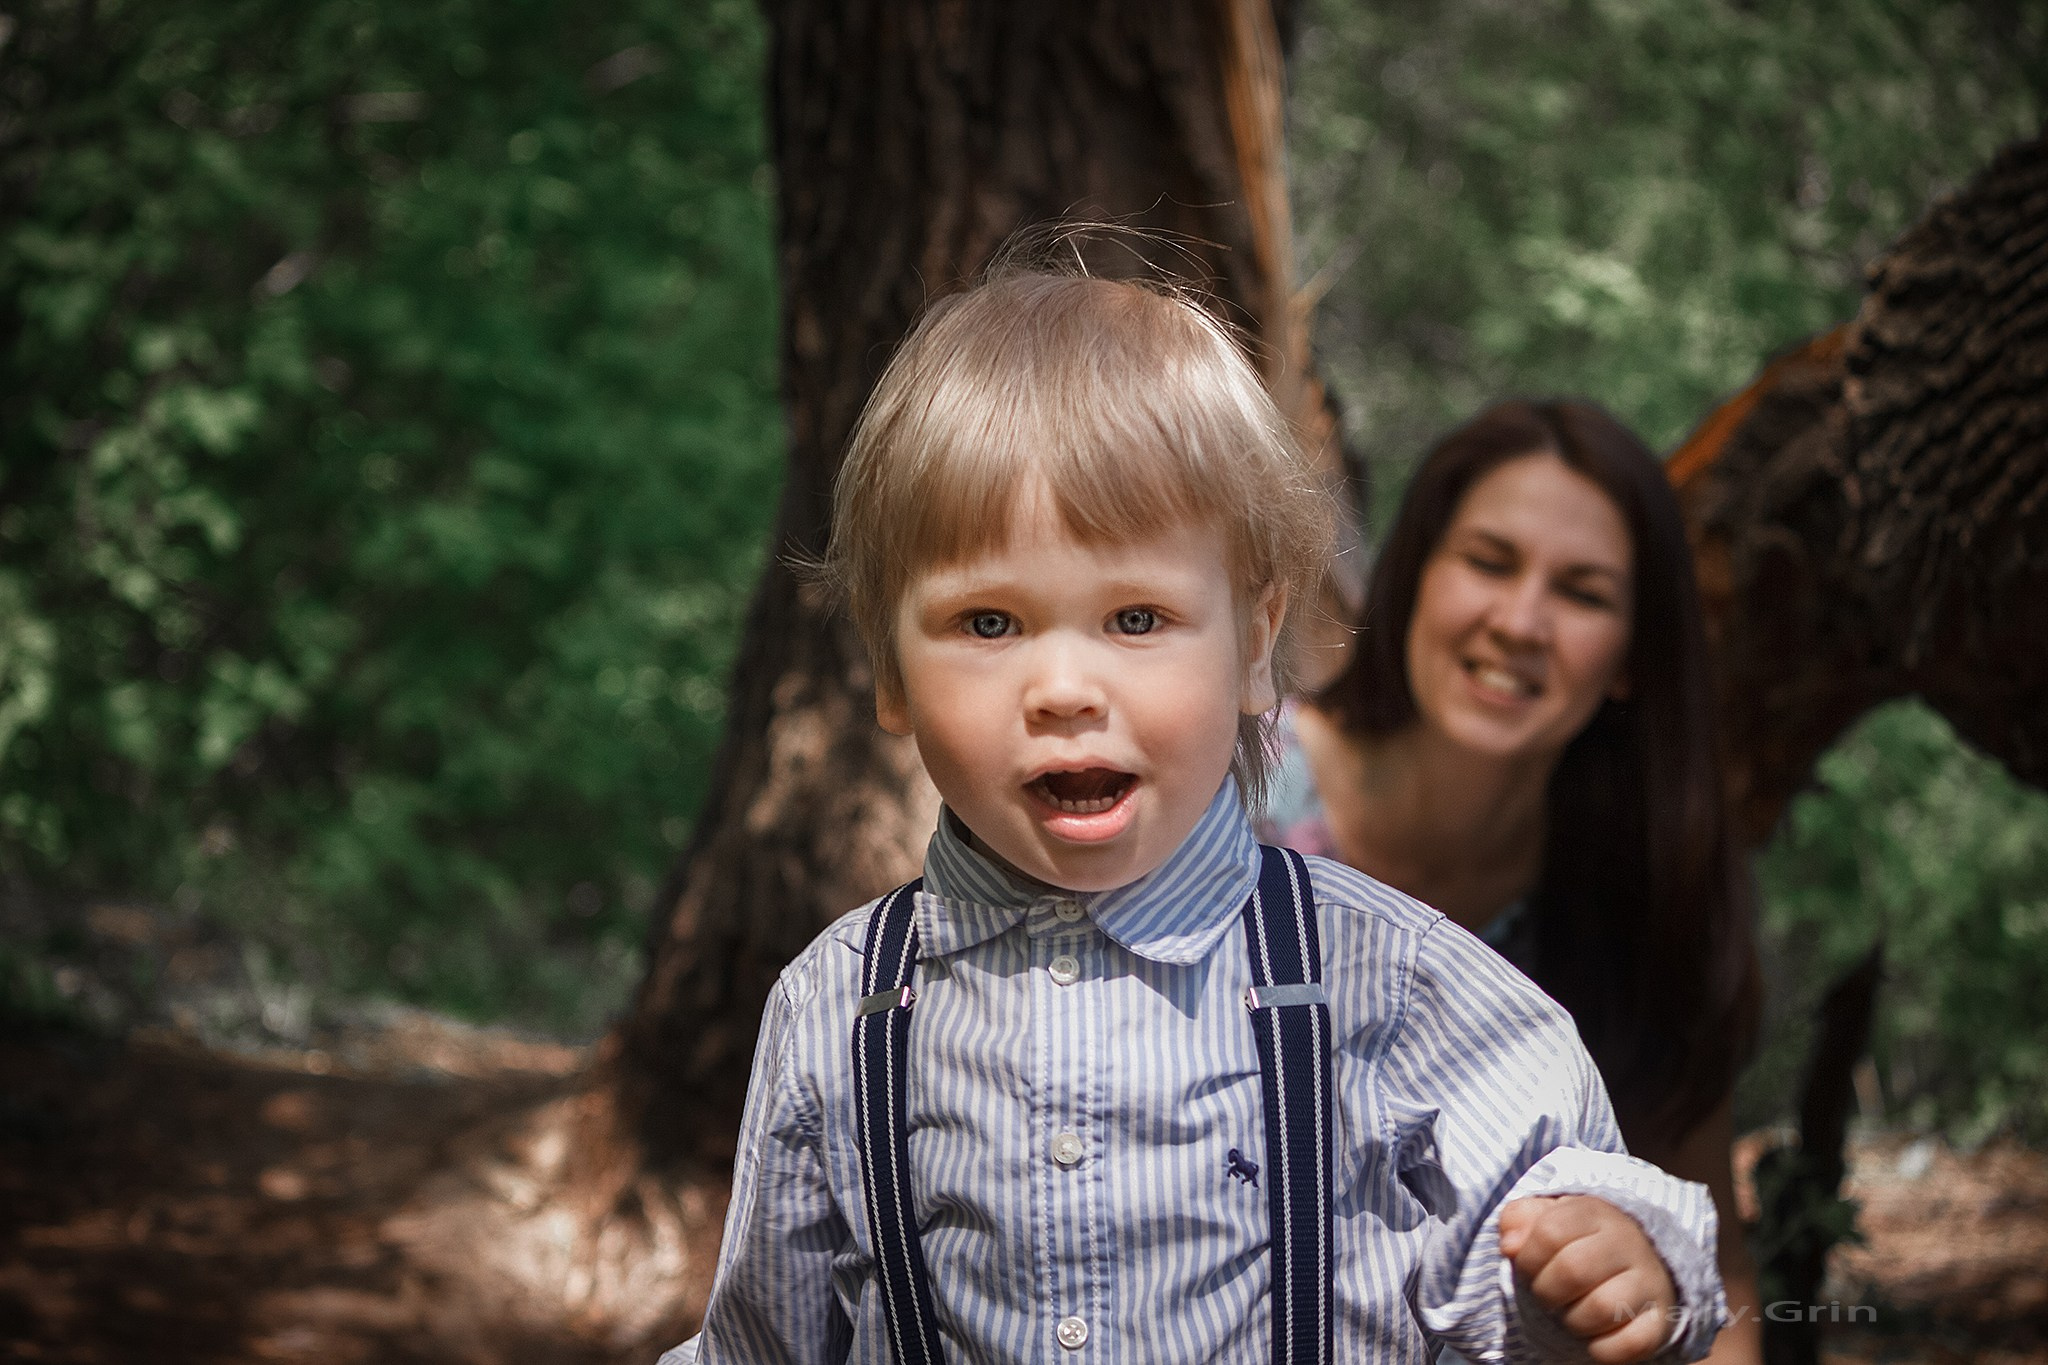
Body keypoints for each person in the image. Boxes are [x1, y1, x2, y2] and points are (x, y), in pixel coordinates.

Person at [660, 267, 1726, 1365]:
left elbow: (1548, 1204)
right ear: (888, 669)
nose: (1063, 688)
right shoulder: (839, 1009)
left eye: (1135, 617)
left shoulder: (1386, 977)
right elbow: (761, 1347)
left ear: (1255, 644)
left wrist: (1604, 1253)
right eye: (988, 621)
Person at [1259, 399, 1764, 1363]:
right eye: (1489, 562)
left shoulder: (1646, 902)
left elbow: (1718, 1276)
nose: (1521, 619)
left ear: (1628, 659)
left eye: (1582, 593)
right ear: (1414, 579)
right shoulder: (1219, 794)